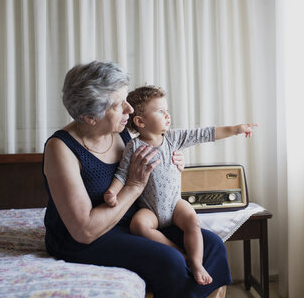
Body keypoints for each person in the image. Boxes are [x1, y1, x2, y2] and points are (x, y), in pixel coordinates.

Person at [42, 61, 231, 298]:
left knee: (212, 244)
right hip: (88, 238)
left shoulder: (119, 131)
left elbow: (153, 150)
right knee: (170, 260)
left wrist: (171, 163)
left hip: (131, 222)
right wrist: (134, 186)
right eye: (118, 105)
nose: (129, 110)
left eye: (126, 100)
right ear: (90, 117)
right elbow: (84, 231)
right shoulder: (61, 149)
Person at [103, 85, 256, 286]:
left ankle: (197, 263)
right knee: (138, 225)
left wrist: (236, 129)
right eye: (160, 111)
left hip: (175, 205)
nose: (167, 115)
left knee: (192, 220)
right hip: (149, 209)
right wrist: (112, 192)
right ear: (140, 121)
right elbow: (122, 174)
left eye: (167, 110)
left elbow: (204, 134)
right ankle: (178, 253)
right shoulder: (134, 147)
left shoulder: (173, 139)